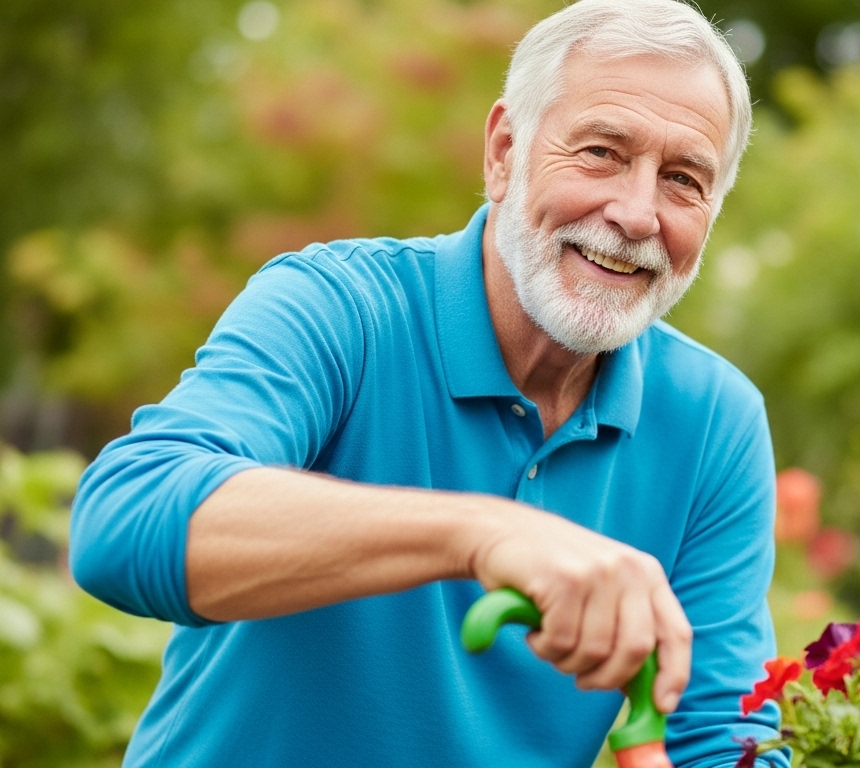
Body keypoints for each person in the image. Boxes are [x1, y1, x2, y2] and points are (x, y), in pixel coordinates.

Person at [68, 1, 785, 765]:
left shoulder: (715, 419)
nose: (638, 215)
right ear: (505, 152)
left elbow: (724, 735)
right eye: (602, 153)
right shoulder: (339, 307)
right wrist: (482, 535)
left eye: (682, 179)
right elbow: (126, 521)